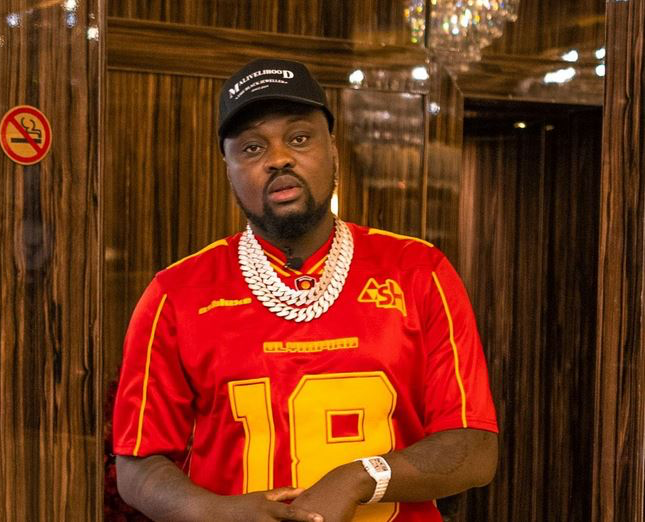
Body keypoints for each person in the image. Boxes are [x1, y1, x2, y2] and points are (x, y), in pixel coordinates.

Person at [113, 58, 499, 522]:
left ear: (332, 148)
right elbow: (138, 464)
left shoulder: (420, 271)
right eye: (252, 147)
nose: (278, 158)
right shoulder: (175, 294)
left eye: (299, 138)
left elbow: (475, 447)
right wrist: (217, 511)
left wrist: (359, 478)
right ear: (228, 168)